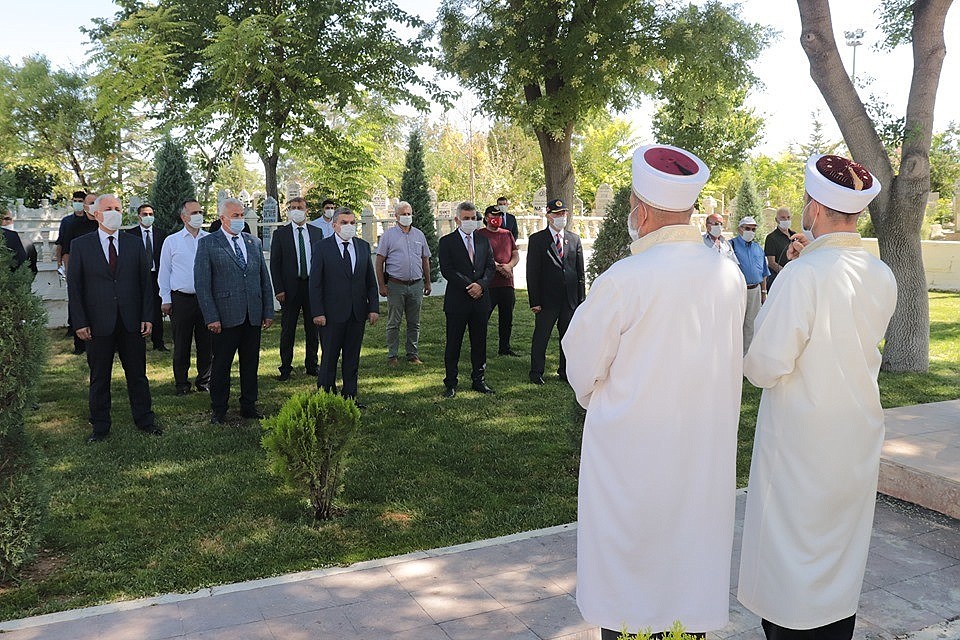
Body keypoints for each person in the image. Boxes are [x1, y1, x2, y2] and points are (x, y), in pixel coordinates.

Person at [562, 144, 746, 639]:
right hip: (702, 452)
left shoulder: (625, 278)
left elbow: (581, 366)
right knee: (688, 572)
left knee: (632, 590)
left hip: (633, 459)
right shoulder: (727, 275)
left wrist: (602, 398)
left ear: (640, 212)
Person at [737, 154, 897, 640]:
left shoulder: (802, 276)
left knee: (792, 564)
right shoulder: (880, 273)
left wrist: (793, 274)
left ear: (815, 208)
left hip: (802, 440)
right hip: (856, 430)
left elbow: (764, 366)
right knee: (840, 553)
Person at [66, 194, 160, 442]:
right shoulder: (80, 245)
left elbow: (145, 284)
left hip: (131, 321)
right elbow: (75, 287)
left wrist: (147, 316)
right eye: (109, 208)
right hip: (97, 323)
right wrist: (80, 322)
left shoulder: (134, 244)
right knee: (99, 377)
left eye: (118, 208)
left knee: (137, 375)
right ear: (96, 214)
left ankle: (145, 420)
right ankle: (100, 426)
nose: (115, 213)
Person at [194, 197, 274, 423]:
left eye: (241, 215)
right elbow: (202, 284)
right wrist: (211, 316)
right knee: (222, 365)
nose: (240, 219)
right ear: (223, 218)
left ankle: (249, 405)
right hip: (224, 316)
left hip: (252, 314)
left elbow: (264, 279)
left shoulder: (253, 242)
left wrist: (268, 311)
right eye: (235, 216)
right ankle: (219, 408)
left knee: (250, 364)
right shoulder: (209, 244)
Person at [310, 207, 379, 407]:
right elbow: (315, 283)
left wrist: (373, 308)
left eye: (352, 223)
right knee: (329, 357)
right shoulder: (322, 248)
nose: (349, 226)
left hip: (356, 313)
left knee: (352, 358)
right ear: (334, 225)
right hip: (331, 315)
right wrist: (318, 312)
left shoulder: (363, 246)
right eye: (344, 223)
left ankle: (350, 397)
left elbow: (370, 281)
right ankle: (326, 397)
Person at [438, 201, 496, 397]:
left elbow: (490, 267)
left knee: (479, 343)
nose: (470, 221)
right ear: (457, 220)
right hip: (457, 301)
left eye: (473, 218)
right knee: (453, 343)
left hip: (481, 300)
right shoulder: (447, 242)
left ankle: (479, 380)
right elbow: (447, 270)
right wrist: (469, 286)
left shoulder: (483, 241)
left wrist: (481, 285)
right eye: (466, 218)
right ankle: (451, 382)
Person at [526, 199, 585, 384]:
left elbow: (580, 272)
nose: (561, 217)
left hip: (569, 300)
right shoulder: (537, 240)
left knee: (567, 338)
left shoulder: (574, 239)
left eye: (564, 213)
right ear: (548, 216)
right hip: (547, 300)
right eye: (557, 214)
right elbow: (532, 272)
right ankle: (536, 372)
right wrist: (535, 301)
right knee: (541, 337)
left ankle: (565, 371)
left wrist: (581, 299)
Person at [158, 199, 212, 396]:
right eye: (194, 213)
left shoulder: (209, 239)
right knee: (182, 343)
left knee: (207, 343)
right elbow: (164, 272)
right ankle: (181, 383)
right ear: (183, 217)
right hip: (181, 299)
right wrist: (165, 298)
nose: (198, 216)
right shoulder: (172, 241)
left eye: (200, 212)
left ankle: (204, 381)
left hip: (205, 299)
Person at [270, 196, 324, 380]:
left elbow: (321, 261)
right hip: (289, 289)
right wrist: (279, 289)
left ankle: (312, 365)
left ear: (306, 210)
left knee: (313, 328)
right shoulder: (281, 234)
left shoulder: (316, 232)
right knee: (288, 329)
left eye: (300, 207)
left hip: (312, 287)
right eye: (293, 207)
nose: (297, 210)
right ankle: (285, 367)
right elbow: (275, 264)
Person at [375, 200, 432, 365]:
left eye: (409, 214)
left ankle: (412, 354)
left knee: (414, 322)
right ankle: (392, 355)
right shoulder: (388, 236)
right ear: (396, 216)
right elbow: (379, 261)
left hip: (416, 284)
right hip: (395, 285)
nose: (407, 216)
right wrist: (381, 285)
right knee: (394, 322)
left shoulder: (419, 235)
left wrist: (427, 282)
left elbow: (425, 259)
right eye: (403, 214)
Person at [476, 205, 520, 357]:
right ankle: (479, 347)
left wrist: (509, 266)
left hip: (507, 284)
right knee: (483, 317)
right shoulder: (479, 234)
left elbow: (515, 254)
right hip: (488, 284)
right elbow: (479, 256)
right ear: (487, 217)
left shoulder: (507, 234)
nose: (497, 218)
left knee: (507, 318)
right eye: (494, 215)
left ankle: (504, 348)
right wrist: (498, 267)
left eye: (500, 215)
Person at [60, 191, 99, 354]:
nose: (93, 206)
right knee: (79, 306)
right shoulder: (73, 225)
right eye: (90, 203)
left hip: (101, 275)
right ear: (84, 206)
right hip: (80, 273)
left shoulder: (103, 224)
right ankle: (79, 344)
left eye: (95, 203)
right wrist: (69, 272)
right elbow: (66, 251)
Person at [126, 203, 167, 351]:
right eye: (145, 214)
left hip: (156, 275)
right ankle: (137, 339)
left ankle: (158, 342)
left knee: (156, 308)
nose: (148, 217)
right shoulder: (130, 234)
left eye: (151, 214)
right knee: (137, 306)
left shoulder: (161, 234)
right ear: (139, 216)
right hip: (137, 276)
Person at [730, 215, 769, 354]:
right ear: (740, 229)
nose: (750, 232)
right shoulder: (730, 246)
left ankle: (747, 357)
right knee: (736, 323)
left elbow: (764, 272)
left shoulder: (758, 248)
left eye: (753, 229)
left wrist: (764, 293)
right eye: (747, 228)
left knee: (751, 324)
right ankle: (734, 355)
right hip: (737, 291)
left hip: (755, 290)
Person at [763, 207, 796, 291]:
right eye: (783, 218)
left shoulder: (794, 236)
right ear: (776, 220)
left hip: (793, 278)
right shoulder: (771, 238)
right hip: (777, 279)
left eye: (788, 217)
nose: (786, 220)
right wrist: (785, 273)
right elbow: (772, 263)